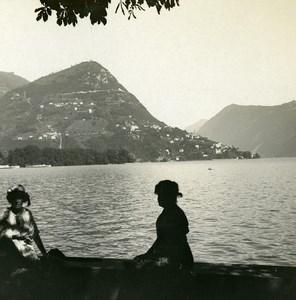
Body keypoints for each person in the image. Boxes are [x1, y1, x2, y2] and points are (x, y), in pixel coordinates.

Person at [134, 180, 194, 273]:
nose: (158, 198)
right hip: (175, 257)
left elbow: (172, 242)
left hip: (178, 260)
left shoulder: (173, 214)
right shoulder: (171, 212)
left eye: (160, 195)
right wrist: (147, 255)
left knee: (142, 268)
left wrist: (150, 257)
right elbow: (161, 239)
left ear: (167, 196)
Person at [0, 184, 47, 264]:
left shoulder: (27, 214)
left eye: (20, 198)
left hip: (28, 254)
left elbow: (35, 235)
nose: (17, 201)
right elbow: (3, 240)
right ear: (10, 199)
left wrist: (44, 254)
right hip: (12, 257)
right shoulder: (4, 216)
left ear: (23, 199)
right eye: (14, 198)